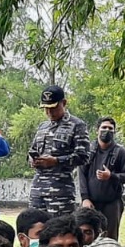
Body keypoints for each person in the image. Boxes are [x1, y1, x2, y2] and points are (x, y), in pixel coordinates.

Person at [28, 85, 90, 216]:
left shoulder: (77, 125)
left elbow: (83, 156)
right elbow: (32, 150)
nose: (49, 112)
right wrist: (32, 160)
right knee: (35, 229)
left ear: (64, 103)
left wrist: (56, 161)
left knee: (60, 231)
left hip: (60, 191)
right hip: (37, 189)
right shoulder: (42, 127)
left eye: (53, 107)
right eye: (46, 108)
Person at [78, 116, 125, 239]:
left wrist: (111, 176)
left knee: (110, 238)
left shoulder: (121, 152)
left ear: (114, 131)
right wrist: (85, 198)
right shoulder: (88, 151)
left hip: (112, 203)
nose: (107, 130)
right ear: (97, 130)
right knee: (86, 236)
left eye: (110, 128)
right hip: (90, 203)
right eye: (104, 127)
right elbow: (81, 174)